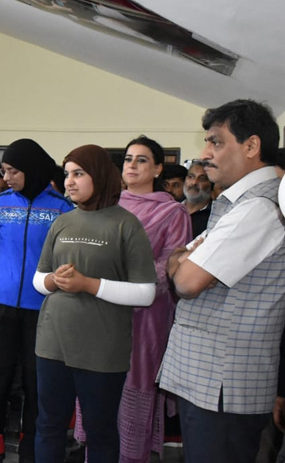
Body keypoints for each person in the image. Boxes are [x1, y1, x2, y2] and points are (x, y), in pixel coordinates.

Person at [160, 99, 285, 463]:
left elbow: (187, 281)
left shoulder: (256, 209)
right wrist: (180, 261)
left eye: (216, 142)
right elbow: (186, 264)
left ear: (251, 146)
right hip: (211, 383)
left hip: (224, 387)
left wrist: (176, 262)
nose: (204, 153)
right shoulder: (236, 204)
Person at [33, 144, 157, 463]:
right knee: (48, 425)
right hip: (52, 345)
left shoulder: (125, 225)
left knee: (100, 431)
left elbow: (145, 292)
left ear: (100, 176)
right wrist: (53, 281)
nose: (69, 181)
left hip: (101, 351)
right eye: (66, 174)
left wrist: (88, 284)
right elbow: (39, 279)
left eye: (78, 173)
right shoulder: (62, 222)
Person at [0, 139, 73, 463]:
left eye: (13, 171)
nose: (7, 177)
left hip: (41, 308)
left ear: (32, 169)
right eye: (5, 171)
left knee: (35, 384)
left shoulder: (62, 208)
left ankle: (30, 452)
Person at [115, 136, 191, 462]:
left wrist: (125, 288)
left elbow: (169, 265)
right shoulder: (107, 205)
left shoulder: (173, 212)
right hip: (101, 312)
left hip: (145, 316)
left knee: (135, 388)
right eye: (128, 158)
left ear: (158, 167)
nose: (131, 165)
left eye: (141, 159)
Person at [182, 159, 213, 238]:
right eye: (191, 177)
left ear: (211, 184)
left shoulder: (214, 215)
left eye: (202, 179)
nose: (194, 182)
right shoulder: (171, 209)